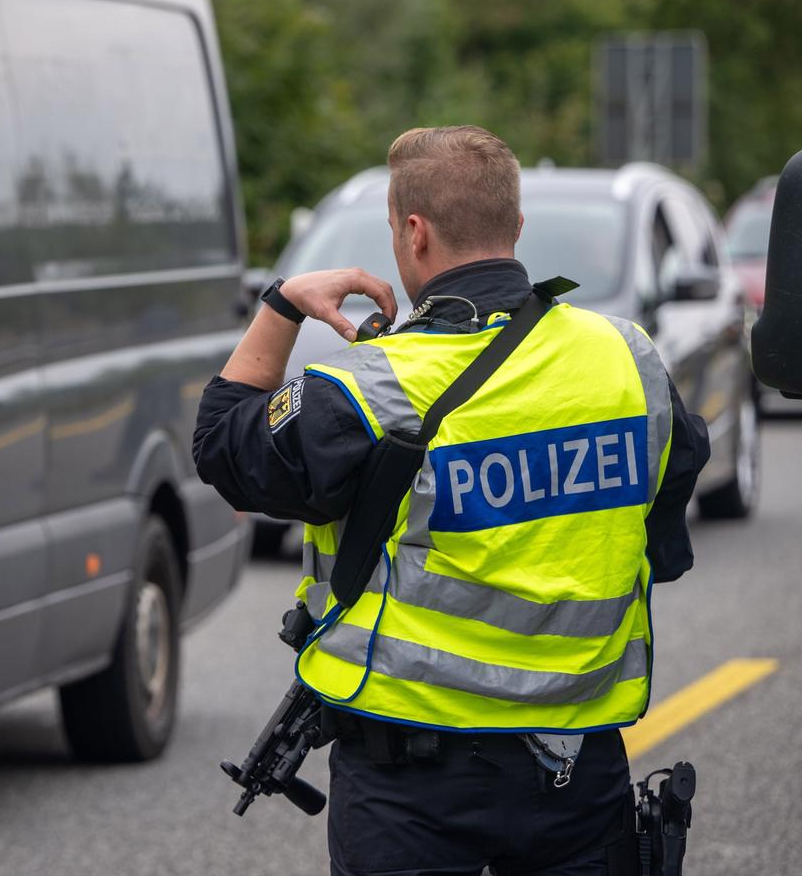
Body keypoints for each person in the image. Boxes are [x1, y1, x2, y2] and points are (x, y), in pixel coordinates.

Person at [194, 126, 707, 876]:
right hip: (578, 767)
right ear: (517, 228)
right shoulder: (629, 357)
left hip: (413, 785)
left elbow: (221, 445)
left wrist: (282, 305)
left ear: (414, 232)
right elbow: (666, 532)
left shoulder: (368, 387)